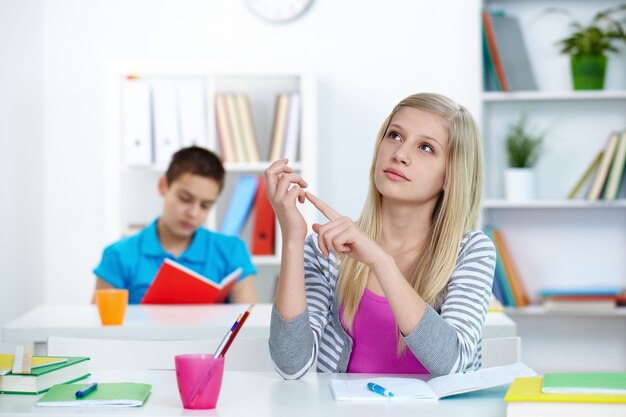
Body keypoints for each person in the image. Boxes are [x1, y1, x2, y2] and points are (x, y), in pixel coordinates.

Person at [267, 93, 496, 379]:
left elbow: (450, 363)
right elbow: (291, 365)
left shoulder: (471, 251)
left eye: (425, 147)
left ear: (451, 175)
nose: (400, 154)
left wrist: (380, 261)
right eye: (395, 136)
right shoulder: (327, 250)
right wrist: (292, 239)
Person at [92, 146, 258, 304]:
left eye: (205, 205)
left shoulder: (232, 251)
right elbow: (99, 326)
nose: (193, 213)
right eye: (185, 199)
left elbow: (248, 321)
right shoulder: (119, 255)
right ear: (163, 186)